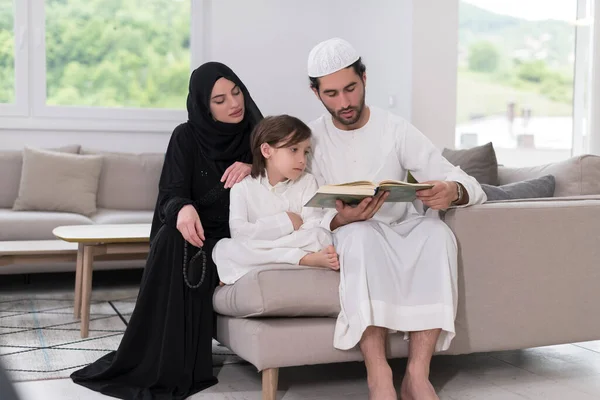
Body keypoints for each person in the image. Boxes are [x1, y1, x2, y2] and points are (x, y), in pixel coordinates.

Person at [305, 38, 487, 400]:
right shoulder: (309, 139)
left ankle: (418, 376)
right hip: (351, 233)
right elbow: (303, 210)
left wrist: (452, 189)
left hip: (401, 229)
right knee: (360, 236)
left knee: (438, 235)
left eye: (351, 89)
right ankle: (379, 373)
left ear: (365, 78)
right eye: (332, 94)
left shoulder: (396, 128)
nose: (344, 102)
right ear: (316, 93)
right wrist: (341, 220)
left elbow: (467, 183)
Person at [70, 62, 263, 400]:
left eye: (236, 92)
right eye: (219, 99)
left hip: (237, 237)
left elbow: (286, 173)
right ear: (203, 105)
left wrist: (255, 166)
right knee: (176, 237)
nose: (234, 103)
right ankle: (165, 362)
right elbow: (171, 193)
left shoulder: (259, 136)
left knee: (186, 242)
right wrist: (183, 208)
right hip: (196, 233)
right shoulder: (186, 136)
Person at [213, 115, 339, 285]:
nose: (302, 160)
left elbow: (313, 225)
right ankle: (302, 258)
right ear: (267, 151)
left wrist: (266, 241)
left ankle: (252, 263)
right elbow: (239, 233)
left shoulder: (307, 181)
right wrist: (286, 221)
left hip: (264, 246)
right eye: (294, 150)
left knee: (320, 236)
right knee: (223, 248)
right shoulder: (242, 186)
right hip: (286, 245)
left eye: (306, 152)